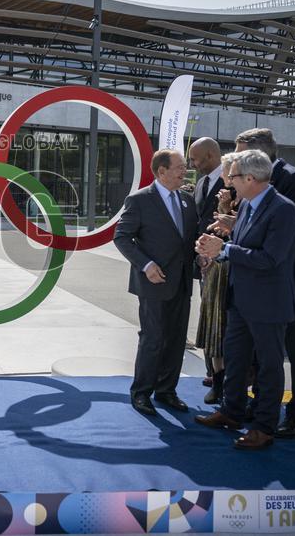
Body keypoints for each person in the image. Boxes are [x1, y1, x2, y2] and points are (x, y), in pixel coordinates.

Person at [195, 149, 295, 450]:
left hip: (268, 302)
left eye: (234, 176)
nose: (228, 182)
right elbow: (244, 247)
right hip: (241, 298)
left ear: (251, 178)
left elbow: (270, 258)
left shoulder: (283, 209)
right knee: (236, 357)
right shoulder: (249, 206)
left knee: (268, 365)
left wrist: (224, 250)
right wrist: (215, 247)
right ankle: (232, 411)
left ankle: (264, 427)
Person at [234, 128, 295, 438]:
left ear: (260, 154)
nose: (236, 163)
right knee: (264, 350)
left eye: (241, 154)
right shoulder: (251, 186)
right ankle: (262, 406)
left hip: (293, 278)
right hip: (264, 277)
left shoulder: (293, 179)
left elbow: (294, 233)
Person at [113, 149, 198, 416]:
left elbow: (188, 240)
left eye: (184, 166)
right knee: (153, 338)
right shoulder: (139, 200)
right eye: (180, 167)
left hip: (182, 282)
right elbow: (122, 237)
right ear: (161, 171)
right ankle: (141, 393)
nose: (185, 171)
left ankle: (166, 390)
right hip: (153, 282)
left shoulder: (187, 200)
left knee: (175, 339)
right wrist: (146, 265)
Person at [195, 152, 239, 404]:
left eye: (228, 172)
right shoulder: (227, 197)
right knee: (215, 328)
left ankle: (231, 385)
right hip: (216, 271)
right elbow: (214, 229)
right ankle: (218, 380)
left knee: (226, 330)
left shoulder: (246, 201)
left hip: (232, 271)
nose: (225, 177)